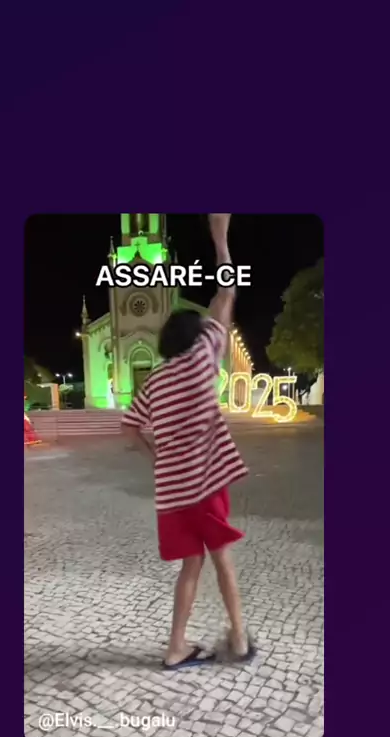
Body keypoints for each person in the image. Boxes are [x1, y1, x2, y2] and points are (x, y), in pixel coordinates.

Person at [121, 214, 254, 670]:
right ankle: (239, 639)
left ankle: (176, 647)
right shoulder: (202, 356)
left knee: (191, 566)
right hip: (206, 486)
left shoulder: (154, 380)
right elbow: (225, 295)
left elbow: (129, 428)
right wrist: (221, 238)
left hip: (171, 495)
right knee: (222, 561)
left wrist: (156, 455)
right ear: (195, 336)